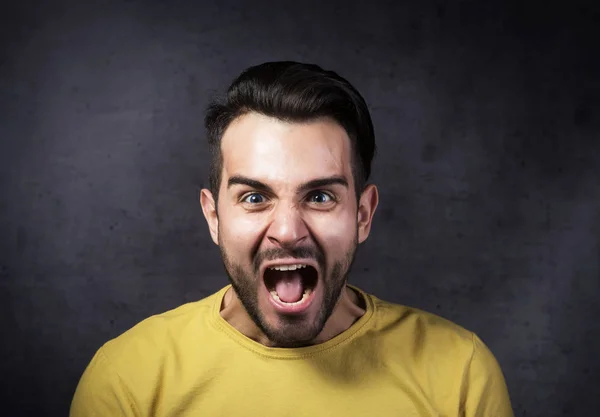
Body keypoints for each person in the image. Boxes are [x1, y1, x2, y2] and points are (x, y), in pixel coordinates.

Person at [70, 61, 514, 416]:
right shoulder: (129, 379)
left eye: (320, 196)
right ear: (213, 216)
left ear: (362, 214)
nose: (287, 231)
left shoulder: (460, 374)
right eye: (255, 197)